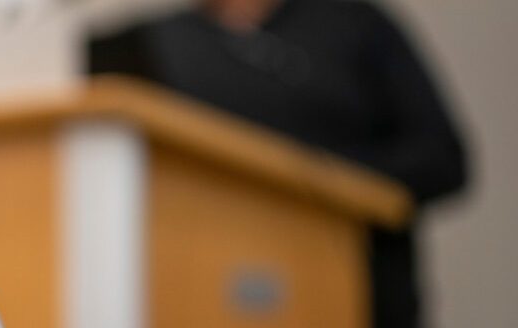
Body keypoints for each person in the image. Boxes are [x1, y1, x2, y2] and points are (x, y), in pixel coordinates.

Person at [88, 0, 467, 327]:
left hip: (362, 298)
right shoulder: (138, 49)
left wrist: (316, 178)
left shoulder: (355, 24)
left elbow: (441, 159)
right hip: (203, 301)